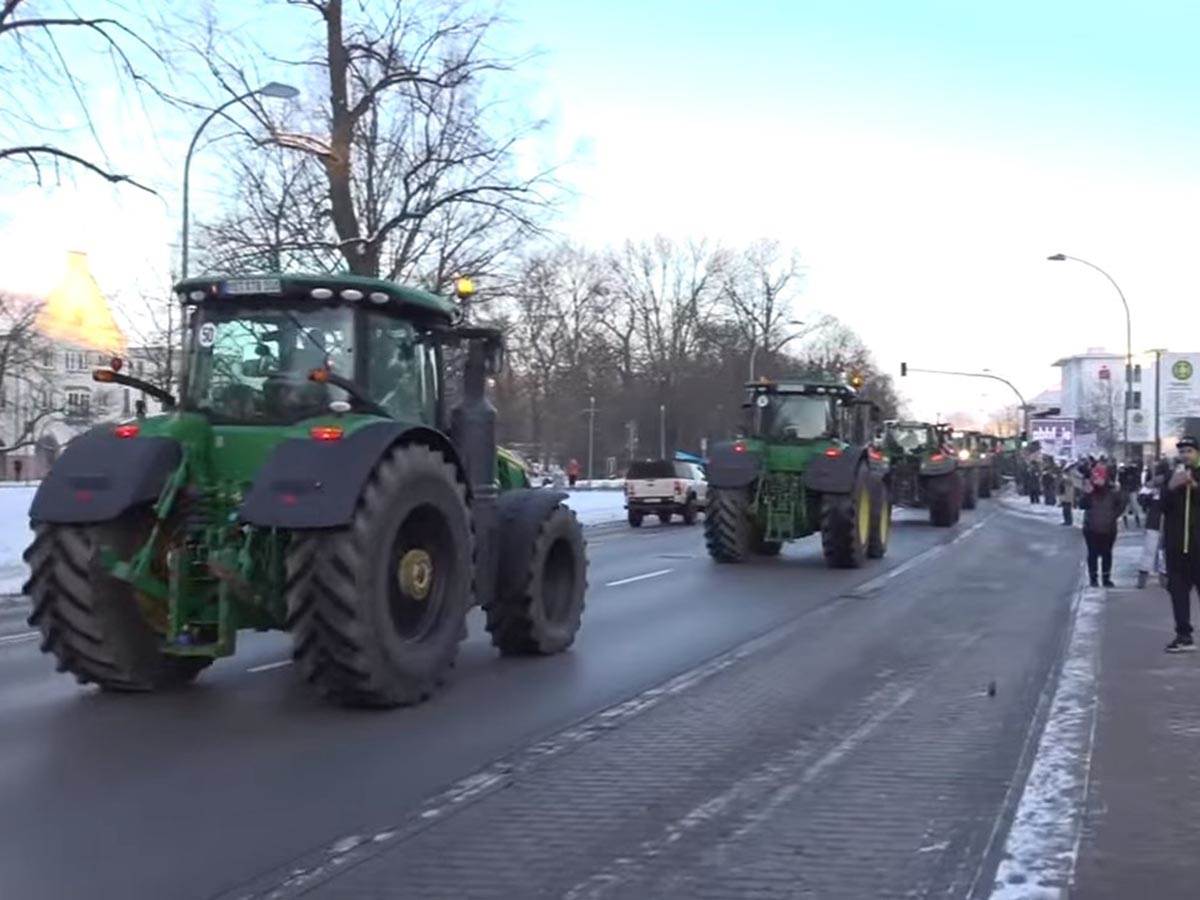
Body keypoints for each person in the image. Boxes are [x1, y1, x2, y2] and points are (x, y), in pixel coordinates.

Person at [1161, 436, 1200, 652]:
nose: (1185, 455)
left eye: (1189, 451)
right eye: (1182, 451)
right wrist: (1171, 487)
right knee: (1178, 593)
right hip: (1176, 547)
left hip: (1198, 546)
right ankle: (1184, 635)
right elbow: (1160, 507)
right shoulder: (1172, 476)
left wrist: (1195, 487)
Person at [1079, 467, 1126, 588]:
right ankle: (1093, 578)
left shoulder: (1112, 491)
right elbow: (1082, 505)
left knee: (1107, 553)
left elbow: (1122, 504)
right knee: (1092, 553)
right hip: (1091, 528)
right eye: (1095, 477)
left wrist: (1113, 516)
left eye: (1099, 477)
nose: (1097, 480)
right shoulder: (1089, 491)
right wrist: (1086, 494)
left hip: (1108, 528)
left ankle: (1106, 578)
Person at [1137, 460, 1170, 588]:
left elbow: (1142, 500)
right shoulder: (1155, 487)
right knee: (1160, 551)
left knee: (1152, 550)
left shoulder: (1161, 487)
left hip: (1158, 522)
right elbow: (1142, 500)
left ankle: (1150, 577)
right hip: (1161, 522)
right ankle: (1160, 577)